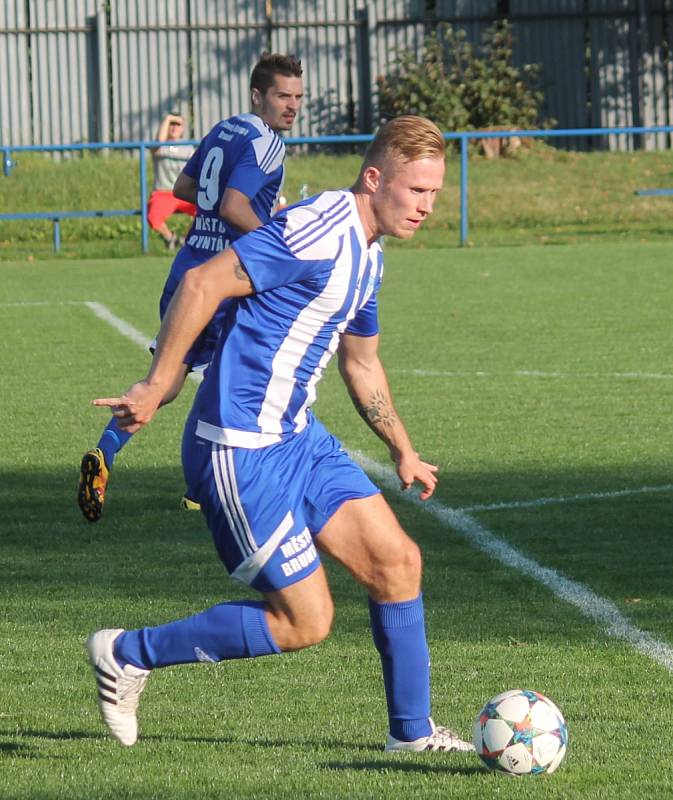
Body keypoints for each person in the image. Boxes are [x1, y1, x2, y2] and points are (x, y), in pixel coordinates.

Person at [86, 115, 473, 755]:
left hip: (298, 438)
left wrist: (401, 448)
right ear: (375, 179)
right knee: (306, 621)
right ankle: (128, 653)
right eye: (417, 191)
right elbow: (202, 281)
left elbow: (361, 361)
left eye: (435, 194)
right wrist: (157, 385)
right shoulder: (320, 229)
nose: (427, 207)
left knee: (398, 563)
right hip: (240, 449)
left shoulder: (368, 255)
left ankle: (412, 734)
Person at [77, 53, 304, 522]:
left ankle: (104, 455)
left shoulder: (226, 129)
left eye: (298, 97)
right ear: (257, 95)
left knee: (164, 382)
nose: (292, 106)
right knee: (232, 381)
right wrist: (274, 237)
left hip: (186, 268)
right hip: (225, 279)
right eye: (283, 95)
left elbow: (183, 185)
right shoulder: (267, 144)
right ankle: (203, 488)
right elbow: (235, 207)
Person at [147, 112, 196, 249]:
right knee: (152, 217)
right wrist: (167, 118)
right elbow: (156, 146)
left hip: (183, 191)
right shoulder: (160, 146)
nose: (174, 128)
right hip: (164, 192)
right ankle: (170, 238)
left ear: (183, 128)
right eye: (171, 124)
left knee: (205, 211)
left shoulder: (188, 148)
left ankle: (185, 240)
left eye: (177, 124)